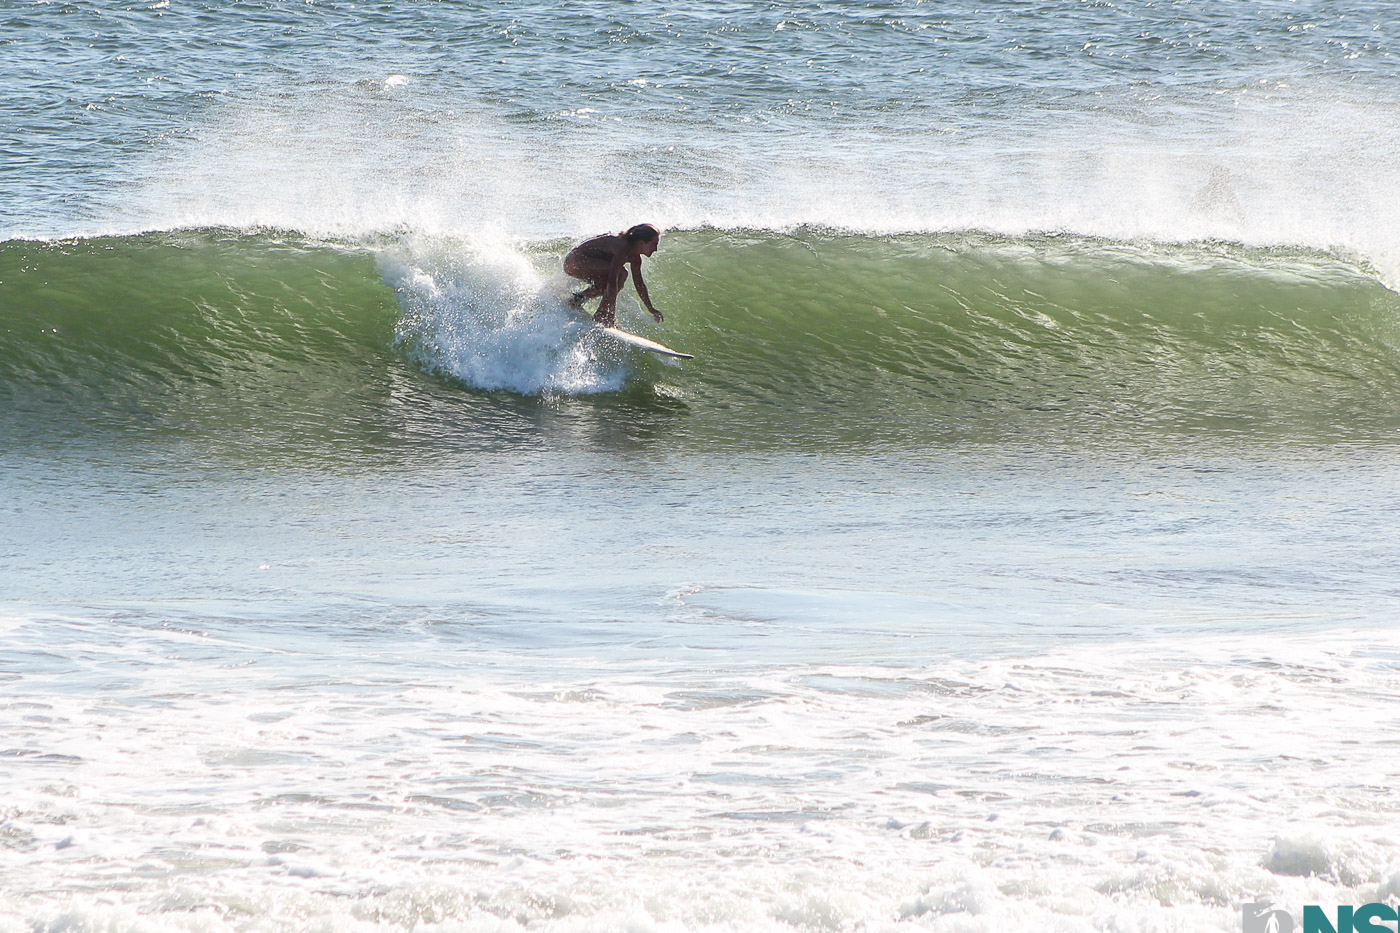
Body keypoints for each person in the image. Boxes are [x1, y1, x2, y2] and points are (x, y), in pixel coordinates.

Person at [563, 224, 663, 327]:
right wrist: (611, 314)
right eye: (654, 244)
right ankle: (601, 316)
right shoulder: (623, 247)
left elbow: (639, 284)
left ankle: (576, 300)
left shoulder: (635, 258)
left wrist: (651, 308)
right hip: (574, 261)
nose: (655, 249)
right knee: (622, 274)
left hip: (583, 263)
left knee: (606, 287)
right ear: (642, 242)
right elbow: (612, 280)